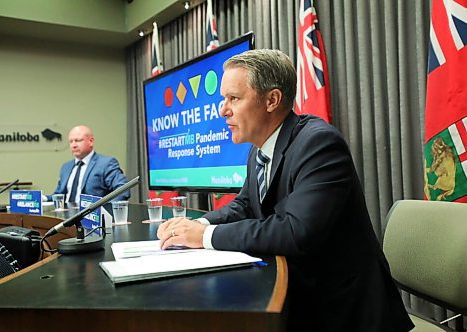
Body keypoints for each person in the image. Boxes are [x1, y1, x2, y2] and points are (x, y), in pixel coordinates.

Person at [158, 49, 414, 331]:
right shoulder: (259, 148)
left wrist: (205, 236)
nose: (223, 109)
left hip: (343, 311)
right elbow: (244, 204)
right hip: (301, 294)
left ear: (272, 100)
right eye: (223, 99)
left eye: (234, 98)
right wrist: (197, 223)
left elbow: (296, 231)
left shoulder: (319, 144)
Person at [48, 125, 130, 203]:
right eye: (71, 141)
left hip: (93, 215)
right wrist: (43, 198)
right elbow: (58, 195)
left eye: (78, 140)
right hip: (64, 216)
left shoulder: (106, 164)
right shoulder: (66, 167)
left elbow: (123, 190)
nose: (73, 145)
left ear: (90, 141)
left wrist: (105, 209)